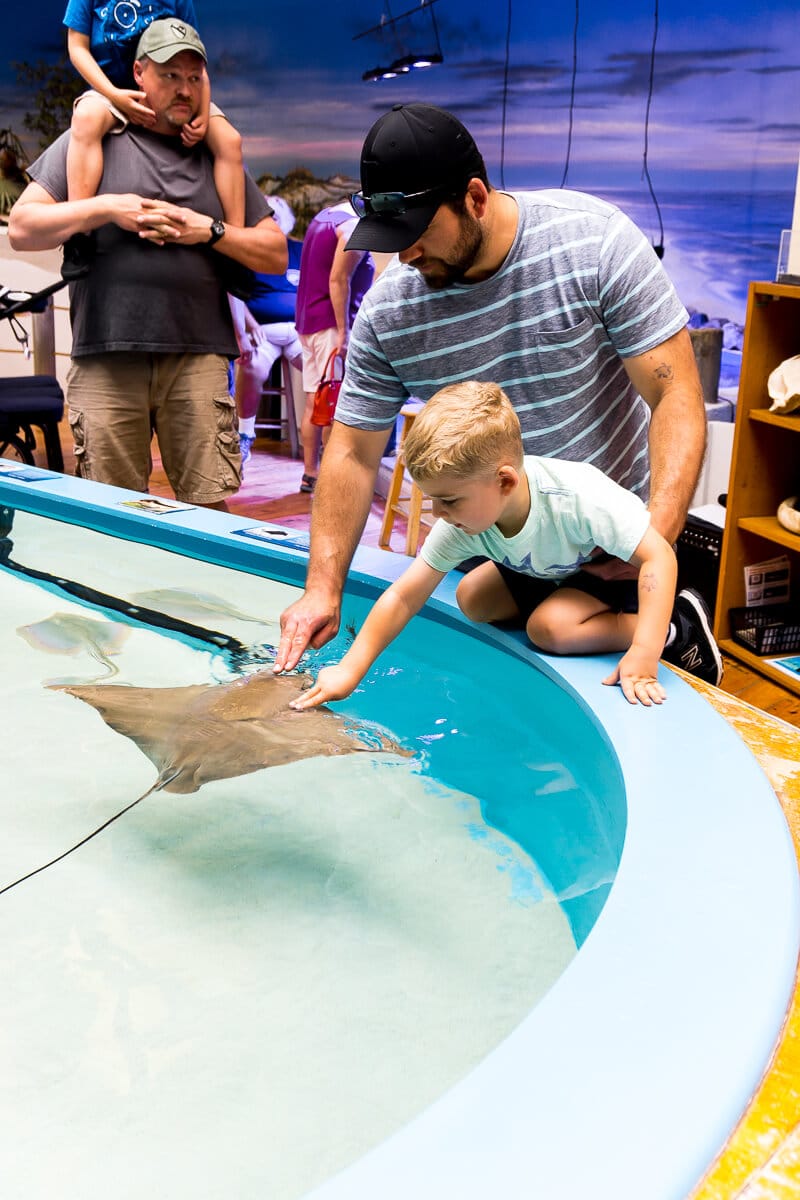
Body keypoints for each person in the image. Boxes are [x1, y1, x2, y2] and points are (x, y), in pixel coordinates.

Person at [276, 102, 720, 686]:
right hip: (514, 538)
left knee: (557, 628)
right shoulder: (390, 310)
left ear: (476, 199)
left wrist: (650, 536)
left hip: (609, 542)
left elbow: (676, 396)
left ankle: (677, 630)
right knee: (475, 601)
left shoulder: (595, 242)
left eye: (417, 234)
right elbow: (354, 452)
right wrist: (322, 589)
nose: (405, 255)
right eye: (392, 239)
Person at [7, 18, 286, 510]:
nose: (183, 89)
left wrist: (209, 230)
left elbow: (273, 252)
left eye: (193, 77)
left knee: (209, 512)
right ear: (138, 73)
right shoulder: (91, 136)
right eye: (169, 75)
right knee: (111, 515)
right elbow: (25, 227)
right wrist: (108, 208)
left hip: (198, 357)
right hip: (105, 355)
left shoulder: (214, 150)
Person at [290, 382, 689, 709]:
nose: (438, 512)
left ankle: (675, 626)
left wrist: (644, 654)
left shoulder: (576, 499)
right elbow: (404, 598)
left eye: (449, 500)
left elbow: (659, 556)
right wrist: (349, 670)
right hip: (548, 571)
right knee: (472, 596)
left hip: (609, 574)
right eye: (433, 498)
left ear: (505, 482)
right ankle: (561, 610)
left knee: (548, 629)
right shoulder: (465, 519)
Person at [62, 0, 244, 264]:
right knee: (86, 117)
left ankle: (234, 244)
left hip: (166, 92)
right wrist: (113, 94)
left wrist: (203, 114)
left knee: (229, 139)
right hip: (112, 91)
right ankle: (79, 234)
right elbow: (77, 48)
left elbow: (194, 59)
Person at [294, 201, 374, 494]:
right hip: (330, 326)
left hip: (308, 322)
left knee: (316, 399)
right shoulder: (353, 228)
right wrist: (344, 332)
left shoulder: (324, 217)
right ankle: (330, 477)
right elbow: (338, 280)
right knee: (331, 404)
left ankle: (311, 473)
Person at [230, 196, 303, 468]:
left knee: (323, 374)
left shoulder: (300, 250)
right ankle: (245, 433)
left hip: (299, 333)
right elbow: (236, 294)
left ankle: (323, 439)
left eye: (276, 217)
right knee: (252, 368)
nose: (271, 222)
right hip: (262, 331)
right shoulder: (251, 253)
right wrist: (249, 325)